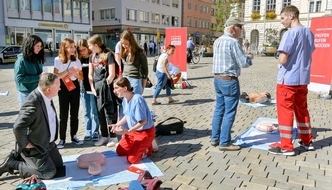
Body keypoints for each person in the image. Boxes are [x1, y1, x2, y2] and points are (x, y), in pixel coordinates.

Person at [268, 5, 315, 156]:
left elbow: (283, 59)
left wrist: (279, 57)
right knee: (302, 110)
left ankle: (286, 146)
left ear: (291, 16)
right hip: (303, 78)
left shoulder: (289, 34)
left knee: (285, 112)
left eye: (283, 18)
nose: (281, 21)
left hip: (288, 79)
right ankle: (307, 141)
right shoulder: (309, 32)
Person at [0, 73, 64, 179]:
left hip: (47, 143)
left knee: (59, 166)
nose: (60, 88)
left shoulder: (46, 96)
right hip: (35, 146)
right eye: (58, 86)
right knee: (49, 172)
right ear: (48, 89)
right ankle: (12, 164)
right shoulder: (33, 102)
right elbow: (18, 126)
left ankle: (21, 158)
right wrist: (25, 144)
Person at [211, 17, 253, 151]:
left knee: (219, 109)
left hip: (217, 79)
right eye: (240, 27)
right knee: (229, 112)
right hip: (229, 80)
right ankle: (224, 142)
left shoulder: (217, 41)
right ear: (233, 28)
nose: (242, 30)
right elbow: (243, 63)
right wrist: (250, 58)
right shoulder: (233, 42)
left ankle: (215, 138)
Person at [110, 77, 156, 164]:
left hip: (144, 132)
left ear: (125, 88)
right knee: (120, 151)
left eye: (116, 88)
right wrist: (117, 124)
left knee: (132, 159)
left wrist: (127, 131)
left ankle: (148, 146)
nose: (114, 91)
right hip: (133, 132)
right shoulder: (124, 100)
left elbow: (143, 122)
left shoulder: (137, 100)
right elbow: (127, 116)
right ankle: (142, 145)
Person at [88, 35, 119, 147]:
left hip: (107, 88)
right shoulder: (92, 56)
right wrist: (92, 87)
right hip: (96, 89)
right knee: (99, 112)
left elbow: (111, 74)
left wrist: (105, 86)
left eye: (90, 46)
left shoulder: (108, 55)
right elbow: (90, 75)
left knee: (111, 112)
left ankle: (113, 136)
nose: (89, 48)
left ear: (96, 45)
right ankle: (104, 136)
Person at [54, 38, 84, 149]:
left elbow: (81, 76)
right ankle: (62, 139)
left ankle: (74, 135)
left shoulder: (77, 60)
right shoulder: (57, 60)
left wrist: (75, 74)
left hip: (74, 87)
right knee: (63, 114)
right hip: (63, 87)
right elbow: (56, 76)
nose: (73, 49)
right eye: (70, 47)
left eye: (73, 46)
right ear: (65, 48)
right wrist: (68, 71)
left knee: (75, 113)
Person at [76, 39, 100, 141]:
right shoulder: (78, 60)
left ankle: (95, 131)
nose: (83, 52)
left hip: (93, 88)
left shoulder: (93, 57)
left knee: (95, 111)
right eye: (80, 50)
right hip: (83, 88)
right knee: (86, 112)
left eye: (84, 49)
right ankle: (88, 131)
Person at [14, 35, 45, 106]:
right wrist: (38, 77)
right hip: (26, 94)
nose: (39, 48)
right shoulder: (21, 60)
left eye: (40, 46)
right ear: (30, 46)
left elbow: (39, 73)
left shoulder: (37, 58)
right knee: (28, 116)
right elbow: (19, 79)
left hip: (37, 91)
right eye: (37, 46)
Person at [120, 30, 149, 95]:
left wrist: (143, 86)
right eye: (122, 43)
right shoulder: (123, 52)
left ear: (131, 42)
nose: (124, 46)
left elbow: (145, 70)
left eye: (126, 44)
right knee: (126, 102)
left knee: (134, 102)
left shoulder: (139, 52)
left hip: (135, 80)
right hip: (125, 79)